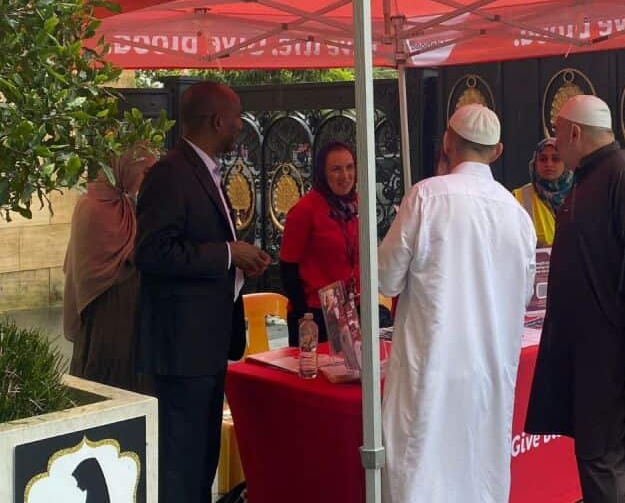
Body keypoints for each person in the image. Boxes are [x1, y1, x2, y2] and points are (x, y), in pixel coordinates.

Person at [526, 95, 625, 502]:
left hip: (621, 368)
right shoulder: (592, 178)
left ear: (575, 132)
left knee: (610, 474)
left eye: (558, 134)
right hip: (597, 367)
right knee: (599, 469)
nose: (555, 146)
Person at [377, 104, 536, 503]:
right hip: (488, 369)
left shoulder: (425, 197)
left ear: (447, 141)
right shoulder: (518, 216)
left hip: (431, 367)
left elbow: (386, 278)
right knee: (478, 469)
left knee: (420, 468)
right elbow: (524, 293)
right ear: (496, 151)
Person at [134, 81, 270, 501]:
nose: (240, 127)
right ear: (217, 120)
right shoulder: (170, 173)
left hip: (206, 343)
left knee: (201, 460)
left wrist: (239, 262)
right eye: (236, 119)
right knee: (183, 464)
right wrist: (229, 253)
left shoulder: (203, 170)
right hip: (182, 349)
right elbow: (153, 253)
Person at [62, 145, 157, 394]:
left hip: (132, 310)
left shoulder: (124, 202)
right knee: (105, 377)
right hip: (104, 309)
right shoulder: (92, 204)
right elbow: (92, 266)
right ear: (126, 166)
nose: (147, 179)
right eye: (144, 171)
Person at [279, 140, 359, 345]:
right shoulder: (305, 210)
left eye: (350, 167)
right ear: (322, 173)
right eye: (336, 169)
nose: (345, 176)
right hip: (314, 312)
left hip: (352, 308)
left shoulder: (359, 204)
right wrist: (305, 316)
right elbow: (288, 268)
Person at [512, 137, 573, 247]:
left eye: (556, 159)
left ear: (566, 163)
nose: (549, 164)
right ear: (535, 163)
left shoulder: (580, 194)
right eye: (543, 159)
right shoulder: (519, 198)